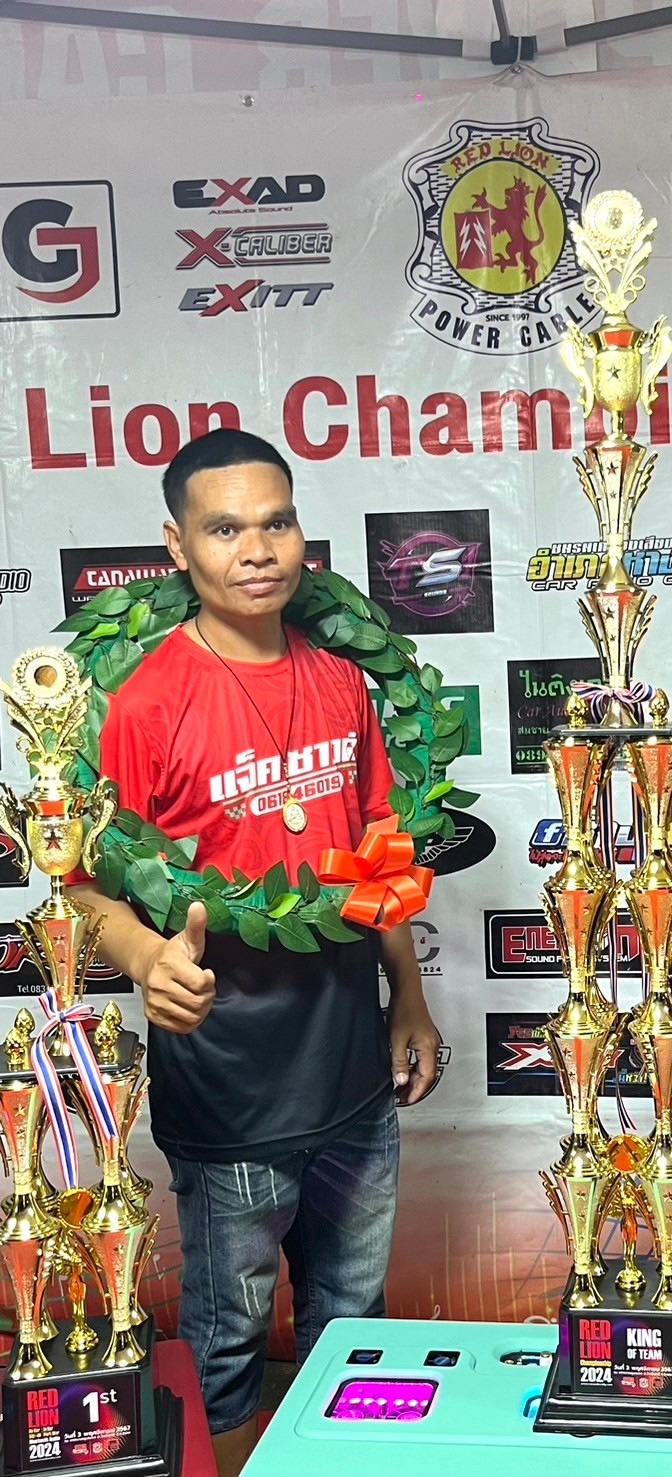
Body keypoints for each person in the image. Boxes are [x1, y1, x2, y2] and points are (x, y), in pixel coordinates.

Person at [71, 428, 442, 1477]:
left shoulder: (341, 680)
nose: (256, 549)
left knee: (353, 1323)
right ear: (177, 546)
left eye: (275, 522)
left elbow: (380, 855)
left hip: (353, 1074)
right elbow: (84, 882)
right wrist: (144, 956)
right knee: (229, 1340)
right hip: (229, 1082)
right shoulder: (143, 702)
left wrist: (409, 998)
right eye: (224, 528)